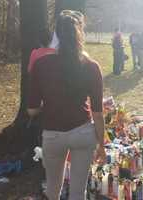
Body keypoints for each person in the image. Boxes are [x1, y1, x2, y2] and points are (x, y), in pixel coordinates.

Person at [27, 10, 106, 200]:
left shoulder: (40, 64)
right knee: (78, 192)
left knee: (53, 189)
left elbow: (32, 109)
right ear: (80, 33)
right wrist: (102, 145)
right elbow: (97, 113)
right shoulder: (92, 66)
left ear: (57, 33)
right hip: (83, 133)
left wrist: (52, 102)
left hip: (53, 135)